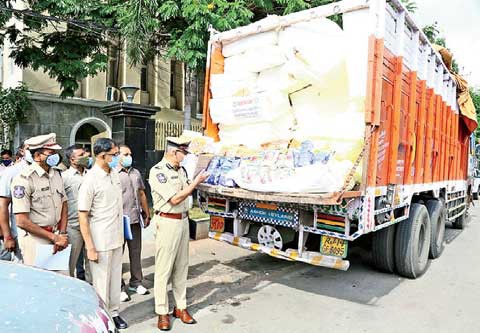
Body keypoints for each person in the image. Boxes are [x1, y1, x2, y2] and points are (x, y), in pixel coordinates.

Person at [149, 136, 209, 331]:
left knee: (182, 267)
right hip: (167, 221)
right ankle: (162, 312)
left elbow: (186, 191)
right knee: (164, 269)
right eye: (183, 152)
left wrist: (198, 181)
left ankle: (180, 307)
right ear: (173, 152)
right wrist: (196, 183)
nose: (185, 156)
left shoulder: (181, 170)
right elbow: (174, 199)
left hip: (183, 221)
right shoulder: (158, 172)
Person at [78, 138, 128, 330]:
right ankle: (102, 318)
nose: (117, 158)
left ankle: (114, 313)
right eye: (114, 155)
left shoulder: (114, 174)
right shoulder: (90, 180)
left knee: (115, 280)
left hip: (116, 237)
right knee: (100, 283)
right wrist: (90, 246)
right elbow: (83, 216)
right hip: (100, 240)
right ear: (101, 156)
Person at [11, 133, 69, 268]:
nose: (56, 156)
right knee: (39, 283)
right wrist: (54, 238)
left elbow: (64, 204)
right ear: (37, 156)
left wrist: (62, 233)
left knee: (59, 281)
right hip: (36, 239)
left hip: (57, 236)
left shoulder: (56, 174)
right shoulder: (24, 179)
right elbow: (21, 221)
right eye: (51, 152)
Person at [116, 144, 151, 302]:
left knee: (136, 252)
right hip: (119, 221)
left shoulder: (136, 172)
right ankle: (118, 287)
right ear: (117, 156)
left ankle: (136, 282)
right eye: (125, 154)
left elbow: (142, 193)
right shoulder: (112, 174)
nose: (129, 156)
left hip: (135, 219)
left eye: (130, 153)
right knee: (118, 255)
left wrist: (147, 212)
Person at [62, 144, 91, 278]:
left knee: (93, 262)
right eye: (81, 155)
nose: (86, 156)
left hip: (92, 224)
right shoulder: (64, 177)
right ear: (72, 160)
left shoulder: (91, 175)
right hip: (73, 226)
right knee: (69, 265)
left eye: (85, 154)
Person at [0, 144, 29, 262]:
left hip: (43, 232)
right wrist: (6, 234)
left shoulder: (52, 173)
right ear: (22, 151)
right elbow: (3, 204)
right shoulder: (11, 172)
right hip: (19, 230)